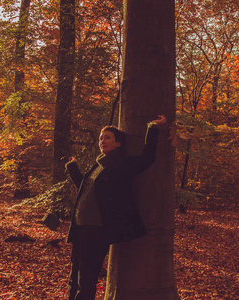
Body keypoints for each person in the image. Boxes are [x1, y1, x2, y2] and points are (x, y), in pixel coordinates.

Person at [65, 115, 167, 300]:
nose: (102, 141)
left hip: (97, 230)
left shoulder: (122, 164)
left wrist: (152, 127)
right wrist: (73, 167)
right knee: (74, 274)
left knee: (86, 277)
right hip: (80, 228)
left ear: (118, 143)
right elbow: (85, 188)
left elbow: (147, 158)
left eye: (108, 137)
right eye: (101, 138)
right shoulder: (98, 166)